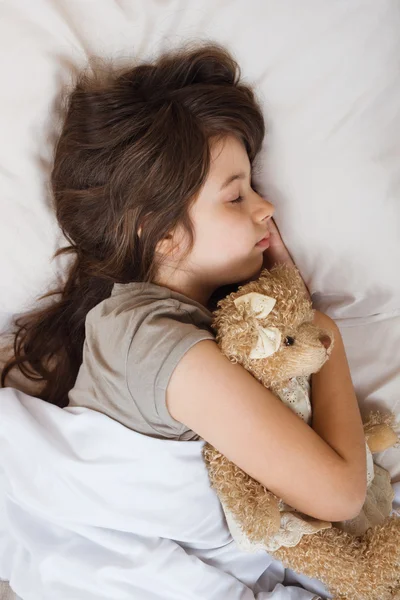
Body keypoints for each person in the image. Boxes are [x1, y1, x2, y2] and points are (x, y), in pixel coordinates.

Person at [1, 40, 367, 595]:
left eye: (254, 188)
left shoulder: (155, 328)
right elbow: (339, 493)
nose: (265, 208)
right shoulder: (157, 345)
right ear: (161, 230)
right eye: (235, 196)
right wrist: (322, 332)